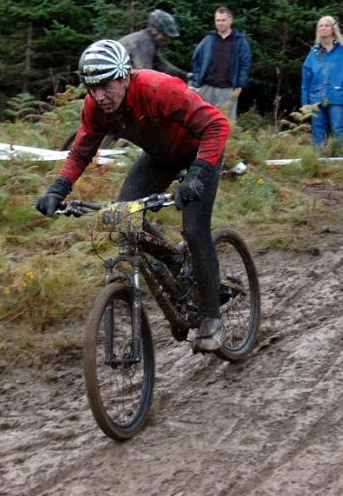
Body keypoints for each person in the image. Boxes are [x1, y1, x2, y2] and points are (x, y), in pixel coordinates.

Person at [36, 40, 231, 352]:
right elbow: (81, 151)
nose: (99, 96)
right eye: (91, 88)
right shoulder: (96, 108)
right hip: (159, 157)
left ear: (124, 76)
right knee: (124, 218)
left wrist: (197, 174)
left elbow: (217, 125)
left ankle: (211, 317)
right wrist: (58, 188)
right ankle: (178, 263)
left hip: (199, 151)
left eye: (106, 86)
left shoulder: (157, 88)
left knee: (194, 230)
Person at [300, 16, 343, 151]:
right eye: (320, 26)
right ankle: (319, 160)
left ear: (333, 28)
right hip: (316, 96)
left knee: (338, 127)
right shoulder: (314, 52)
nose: (323, 28)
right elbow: (306, 77)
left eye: (326, 25)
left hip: (338, 94)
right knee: (318, 129)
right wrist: (305, 102)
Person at [190, 6, 252, 120]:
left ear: (230, 20)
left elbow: (245, 64)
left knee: (226, 124)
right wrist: (198, 82)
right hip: (207, 88)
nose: (220, 23)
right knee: (202, 122)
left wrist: (240, 85)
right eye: (217, 20)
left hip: (228, 90)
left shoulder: (240, 41)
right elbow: (196, 59)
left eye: (223, 20)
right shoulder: (209, 39)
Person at [118, 9, 192, 82]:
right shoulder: (144, 42)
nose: (168, 38)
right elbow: (145, 74)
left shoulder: (148, 41)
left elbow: (162, 65)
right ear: (155, 30)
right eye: (165, 34)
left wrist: (185, 75)